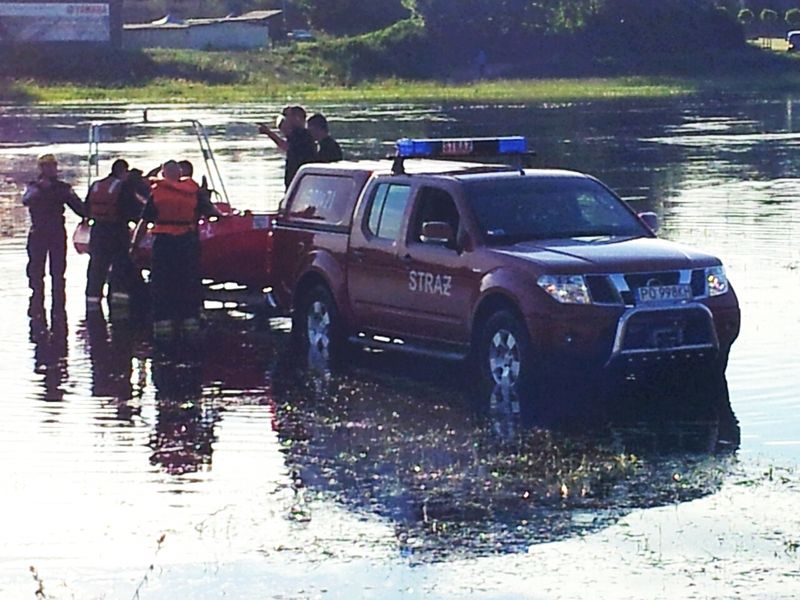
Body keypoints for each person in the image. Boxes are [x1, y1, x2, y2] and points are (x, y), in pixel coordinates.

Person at [136, 159, 222, 338]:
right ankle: (190, 321)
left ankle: (163, 323)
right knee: (188, 280)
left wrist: (134, 245)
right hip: (186, 241)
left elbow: (144, 221)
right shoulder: (193, 192)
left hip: (163, 242)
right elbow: (211, 212)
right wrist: (224, 218)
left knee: (162, 282)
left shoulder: (158, 193)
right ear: (180, 174)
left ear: (164, 175)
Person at [22, 153, 85, 318]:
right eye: (47, 166)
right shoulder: (33, 187)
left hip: (57, 232)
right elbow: (26, 200)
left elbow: (79, 208)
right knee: (36, 270)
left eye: (52, 166)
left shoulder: (63, 188)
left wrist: (91, 212)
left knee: (58, 271)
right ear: (41, 168)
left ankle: (58, 305)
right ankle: (36, 301)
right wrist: (43, 189)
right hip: (38, 233)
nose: (51, 169)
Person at [85, 158, 141, 310]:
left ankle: (92, 303)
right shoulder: (123, 186)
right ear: (123, 171)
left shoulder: (96, 185)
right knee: (120, 266)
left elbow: (86, 208)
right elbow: (133, 210)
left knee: (96, 268)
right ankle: (119, 306)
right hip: (117, 231)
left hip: (97, 232)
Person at [258, 105, 316, 189]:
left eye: (289, 117)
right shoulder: (297, 134)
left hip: (300, 181)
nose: (287, 120)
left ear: (297, 118)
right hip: (298, 180)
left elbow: (285, 146)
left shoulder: (302, 135)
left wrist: (269, 133)